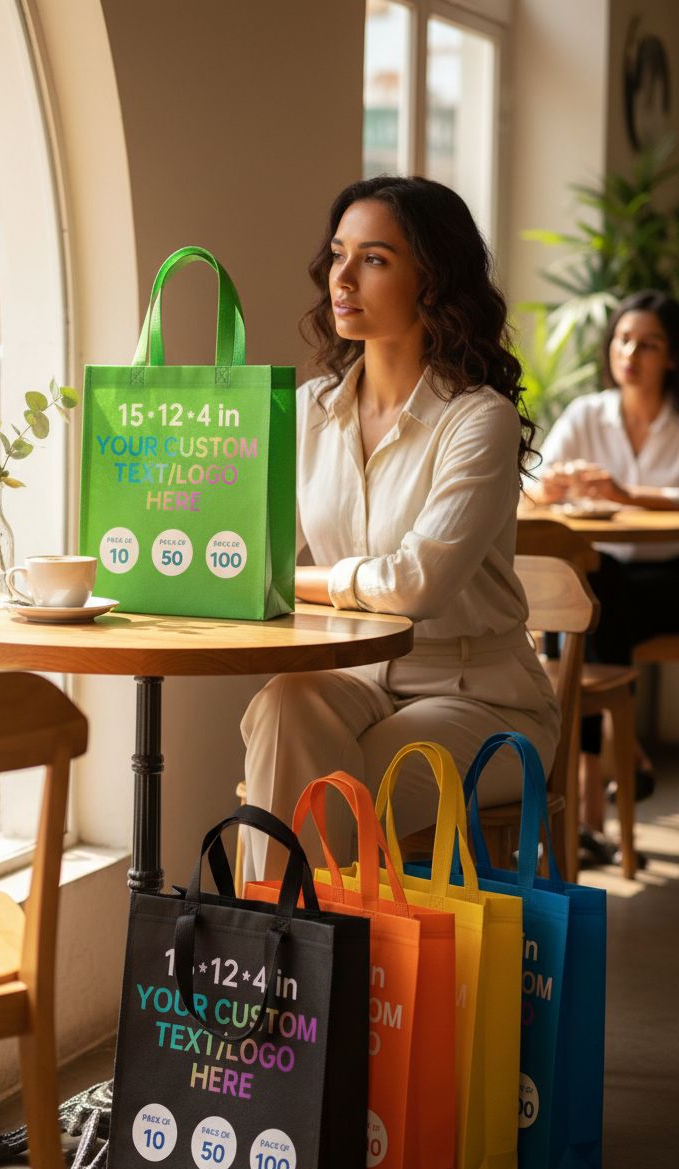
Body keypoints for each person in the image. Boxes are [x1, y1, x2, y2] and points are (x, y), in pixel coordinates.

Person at [240, 175, 560, 882]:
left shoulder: (477, 418)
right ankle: (288, 958)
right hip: (352, 675)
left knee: (322, 793)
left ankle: (276, 961)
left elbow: (416, 584)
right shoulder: (311, 408)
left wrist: (284, 583)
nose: (342, 278)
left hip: (478, 695)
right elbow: (251, 548)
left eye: (375, 259)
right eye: (337, 254)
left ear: (432, 280)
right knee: (284, 705)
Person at [532, 290, 679, 860]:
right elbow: (532, 479)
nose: (631, 353)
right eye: (623, 340)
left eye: (649, 343)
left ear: (671, 356)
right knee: (590, 596)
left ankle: (590, 802)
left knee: (587, 605)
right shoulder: (587, 414)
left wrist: (627, 494)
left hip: (671, 583)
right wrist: (550, 485)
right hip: (611, 587)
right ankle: (610, 780)